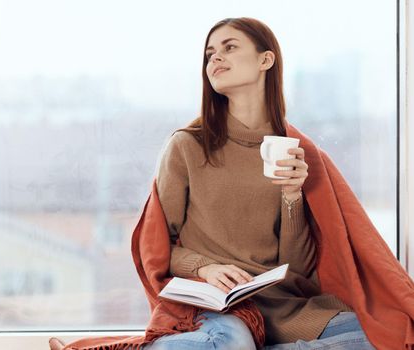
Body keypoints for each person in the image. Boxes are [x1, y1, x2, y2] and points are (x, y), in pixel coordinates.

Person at [142, 17, 375, 349]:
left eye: (229, 47)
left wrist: (293, 195)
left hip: (281, 304)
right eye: (210, 54)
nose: (215, 59)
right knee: (233, 343)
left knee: (381, 335)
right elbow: (161, 246)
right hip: (217, 303)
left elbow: (296, 268)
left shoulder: (297, 151)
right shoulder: (187, 146)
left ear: (266, 60)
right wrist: (206, 268)